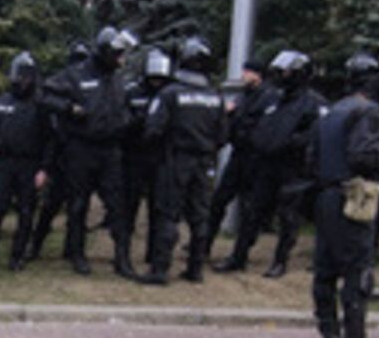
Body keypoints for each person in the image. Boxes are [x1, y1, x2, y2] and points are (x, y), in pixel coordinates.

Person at [309, 67, 379, 338]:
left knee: (325, 267)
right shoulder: (370, 112)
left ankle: (329, 335)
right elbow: (363, 155)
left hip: (325, 193)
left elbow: (311, 156)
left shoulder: (332, 111)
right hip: (354, 195)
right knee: (358, 270)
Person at [214, 50, 328, 277]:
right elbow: (258, 123)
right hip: (265, 164)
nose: (281, 76)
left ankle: (280, 261)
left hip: (294, 169)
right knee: (252, 212)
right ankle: (238, 256)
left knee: (288, 217)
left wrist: (292, 143)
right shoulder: (273, 98)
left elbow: (317, 136)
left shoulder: (314, 104)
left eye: (285, 72)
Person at [42, 27, 139, 278]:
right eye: (117, 54)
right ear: (105, 52)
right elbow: (45, 94)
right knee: (78, 204)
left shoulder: (117, 77)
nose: (121, 59)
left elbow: (126, 105)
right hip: (82, 148)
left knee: (118, 206)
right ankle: (77, 254)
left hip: (111, 150)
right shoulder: (76, 74)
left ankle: (122, 258)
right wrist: (69, 108)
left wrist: (126, 120)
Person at [137, 37, 228, 285]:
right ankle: (195, 269)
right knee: (200, 216)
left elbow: (152, 130)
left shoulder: (169, 94)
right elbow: (223, 135)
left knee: (168, 214)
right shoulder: (215, 96)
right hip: (205, 162)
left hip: (175, 160)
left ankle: (159, 270)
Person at [0, 52, 50, 273]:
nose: (21, 81)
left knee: (26, 213)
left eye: (26, 77)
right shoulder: (1, 103)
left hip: (29, 165)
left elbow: (49, 141)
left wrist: (44, 169)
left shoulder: (40, 105)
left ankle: (17, 257)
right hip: (2, 165)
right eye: (19, 76)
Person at [26, 40, 90, 262]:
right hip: (61, 152)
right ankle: (35, 245)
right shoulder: (61, 82)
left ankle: (72, 249)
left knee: (78, 205)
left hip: (81, 153)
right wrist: (68, 109)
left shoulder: (91, 85)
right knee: (52, 205)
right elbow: (44, 99)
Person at [205, 58, 274, 256]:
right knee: (219, 200)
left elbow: (261, 128)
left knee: (250, 207)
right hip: (239, 155)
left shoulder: (267, 97)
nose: (243, 75)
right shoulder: (245, 95)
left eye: (247, 72)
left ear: (257, 75)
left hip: (255, 159)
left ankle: (240, 252)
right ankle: (206, 243)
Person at [121, 47, 173, 269]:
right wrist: (137, 122)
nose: (156, 82)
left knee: (158, 209)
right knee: (128, 209)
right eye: (153, 78)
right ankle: (122, 253)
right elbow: (121, 120)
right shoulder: (133, 92)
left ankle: (154, 253)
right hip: (134, 157)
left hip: (160, 158)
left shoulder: (170, 94)